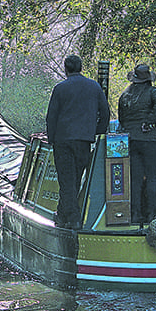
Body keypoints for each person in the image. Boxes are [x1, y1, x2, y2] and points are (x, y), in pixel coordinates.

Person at [46, 54, 110, 229]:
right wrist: (96, 133)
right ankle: (61, 216)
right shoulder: (94, 87)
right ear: (81, 68)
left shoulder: (60, 88)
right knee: (74, 180)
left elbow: (51, 117)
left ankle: (74, 219)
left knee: (67, 181)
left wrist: (51, 138)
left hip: (63, 140)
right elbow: (105, 114)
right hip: (84, 141)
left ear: (65, 69)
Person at [118, 63, 156, 227]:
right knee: (152, 178)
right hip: (150, 140)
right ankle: (152, 216)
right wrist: (151, 120)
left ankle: (135, 215)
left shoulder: (125, 94)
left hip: (131, 140)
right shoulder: (153, 92)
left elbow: (121, 117)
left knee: (135, 180)